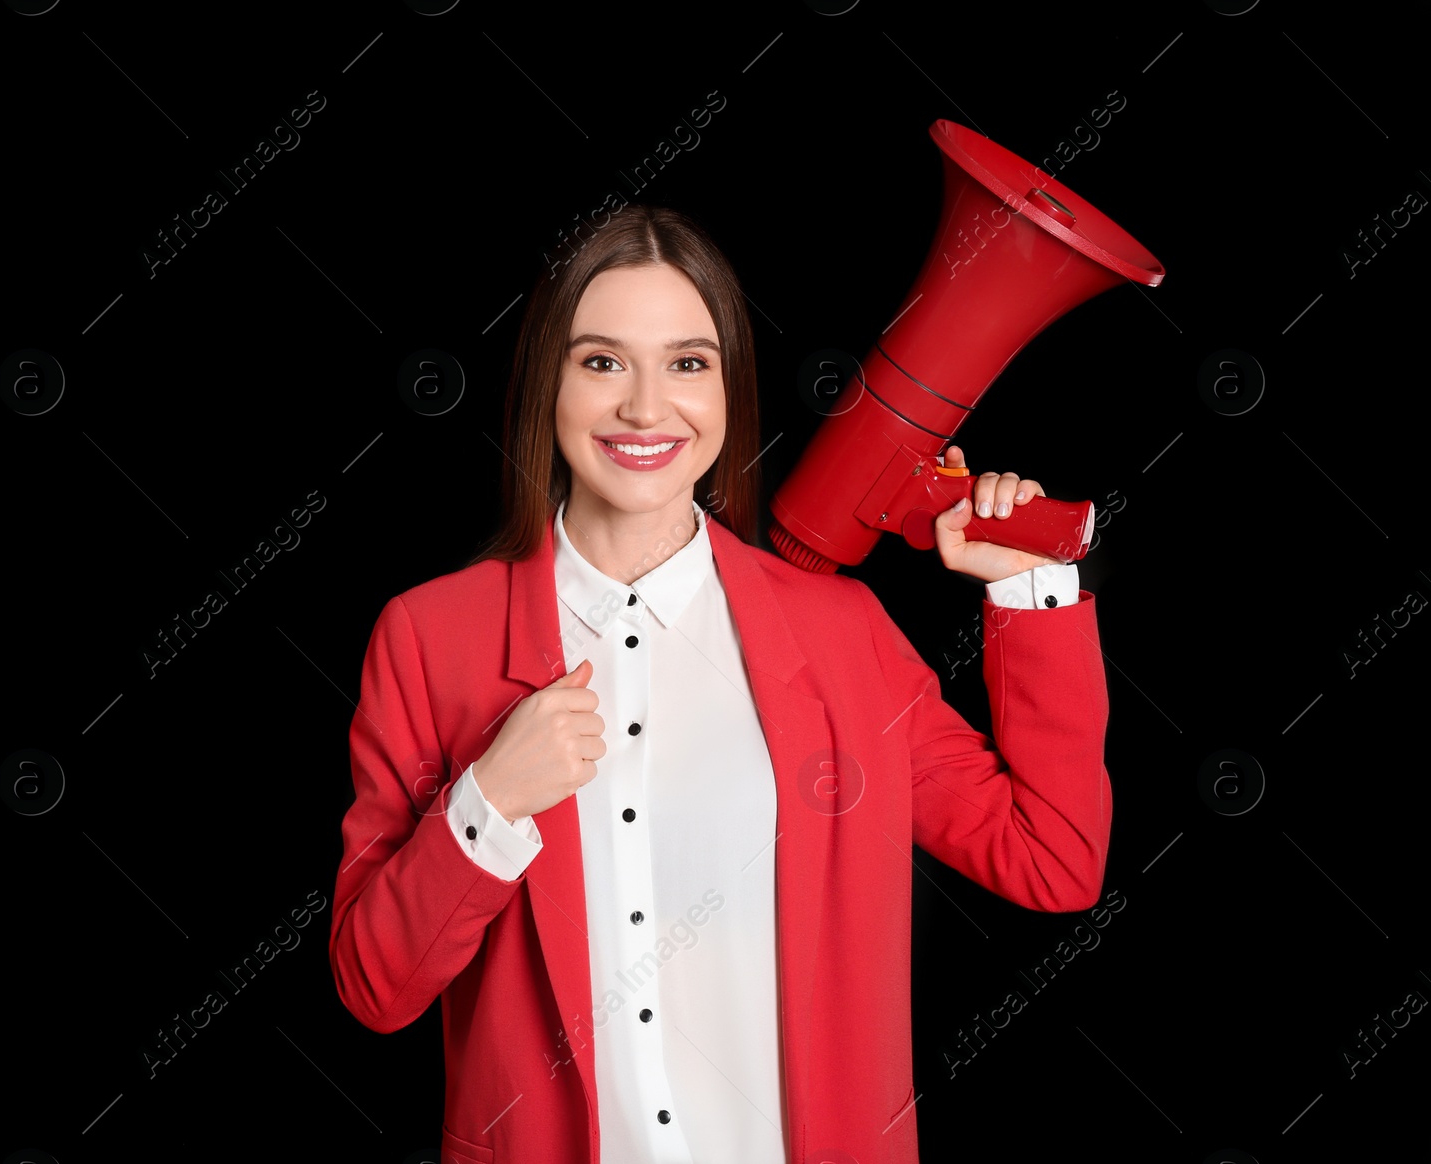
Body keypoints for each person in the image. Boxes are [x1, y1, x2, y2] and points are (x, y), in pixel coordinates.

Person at [329, 205, 1111, 1164]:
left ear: (729, 390)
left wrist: (1029, 589)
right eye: (602, 361)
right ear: (547, 383)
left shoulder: (839, 636)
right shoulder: (427, 637)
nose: (647, 409)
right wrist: (488, 801)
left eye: (688, 364)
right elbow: (375, 986)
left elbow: (1054, 861)